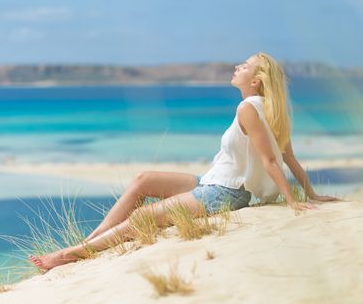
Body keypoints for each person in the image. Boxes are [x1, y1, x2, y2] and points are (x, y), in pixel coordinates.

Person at [29, 52, 339, 271]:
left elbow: (273, 159)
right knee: (142, 181)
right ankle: (90, 242)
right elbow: (290, 156)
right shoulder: (268, 108)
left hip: (225, 193)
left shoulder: (248, 109)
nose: (236, 67)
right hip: (211, 181)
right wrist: (309, 193)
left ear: (256, 80)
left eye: (244, 66)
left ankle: (72, 254)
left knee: (143, 218)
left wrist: (293, 202)